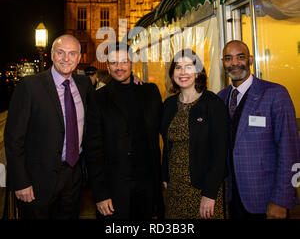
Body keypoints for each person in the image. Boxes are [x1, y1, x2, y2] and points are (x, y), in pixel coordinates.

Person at [4, 34, 96, 219]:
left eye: (72, 54)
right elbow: (13, 138)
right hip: (37, 182)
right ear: (52, 54)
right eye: (60, 52)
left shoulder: (84, 84)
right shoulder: (30, 86)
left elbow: (103, 107)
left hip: (73, 178)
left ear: (79, 58)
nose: (66, 58)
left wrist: (133, 81)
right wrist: (21, 181)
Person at [218, 40, 300, 219]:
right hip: (231, 199)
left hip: (266, 200)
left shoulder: (275, 94)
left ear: (251, 60)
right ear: (223, 62)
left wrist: (282, 200)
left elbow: (291, 150)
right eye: (228, 58)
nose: (234, 63)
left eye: (240, 57)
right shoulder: (221, 98)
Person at [84, 42, 163, 220]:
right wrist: (100, 194)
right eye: (114, 63)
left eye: (124, 62)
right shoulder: (97, 99)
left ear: (132, 63)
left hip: (147, 187)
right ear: (108, 67)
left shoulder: (150, 92)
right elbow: (93, 150)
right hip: (114, 190)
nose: (119, 67)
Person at [161, 49, 228, 219]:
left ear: (198, 73)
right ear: (172, 73)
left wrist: (210, 193)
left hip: (203, 190)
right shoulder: (169, 105)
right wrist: (164, 176)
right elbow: (168, 147)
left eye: (189, 67)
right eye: (178, 67)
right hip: (174, 188)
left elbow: (220, 154)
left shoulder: (213, 104)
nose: (183, 72)